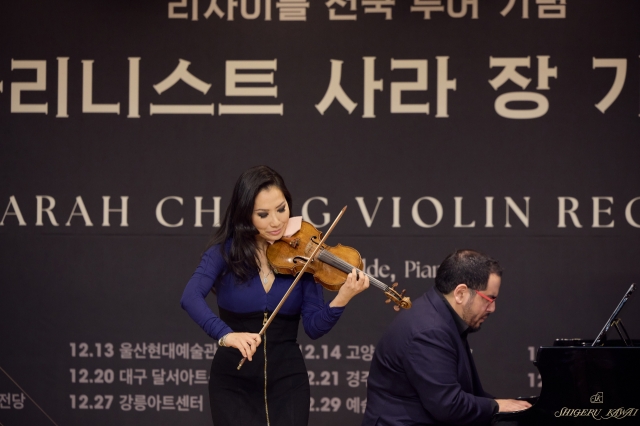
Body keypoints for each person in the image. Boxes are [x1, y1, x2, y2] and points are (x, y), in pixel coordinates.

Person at [180, 165, 369, 426]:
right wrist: (225, 335)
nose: (276, 221)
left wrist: (343, 297)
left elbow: (313, 327)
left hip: (288, 383)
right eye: (263, 214)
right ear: (245, 215)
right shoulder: (223, 253)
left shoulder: (305, 254)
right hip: (233, 384)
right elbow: (190, 297)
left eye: (281, 209)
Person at [362, 249, 531, 426]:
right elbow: (448, 405)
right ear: (460, 293)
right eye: (489, 299)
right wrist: (496, 406)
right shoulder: (429, 331)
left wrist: (501, 406)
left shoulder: (441, 317)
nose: (492, 308)